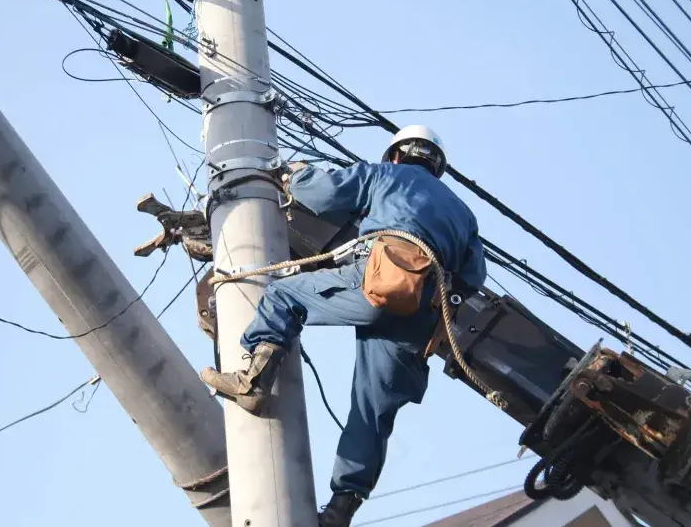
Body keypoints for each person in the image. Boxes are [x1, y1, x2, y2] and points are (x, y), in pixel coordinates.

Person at [200, 125, 488, 527]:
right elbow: (473, 278)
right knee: (373, 413)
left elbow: (326, 194)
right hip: (420, 311)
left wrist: (293, 175)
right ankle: (340, 512)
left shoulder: (388, 175)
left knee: (283, 296)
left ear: (397, 155)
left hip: (376, 277)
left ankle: (254, 380)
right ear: (435, 164)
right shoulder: (464, 214)